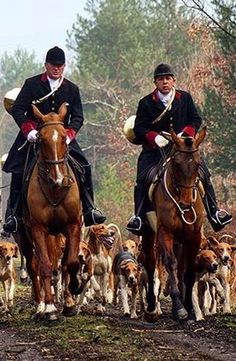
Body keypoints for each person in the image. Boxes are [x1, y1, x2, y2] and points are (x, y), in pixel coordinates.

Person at [1, 46, 106, 236]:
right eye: (53, 65)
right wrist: (29, 131)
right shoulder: (32, 84)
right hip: (35, 137)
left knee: (85, 166)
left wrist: (69, 135)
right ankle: (14, 216)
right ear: (46, 65)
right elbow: (18, 109)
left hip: (61, 137)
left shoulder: (71, 89)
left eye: (60, 65)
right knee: (18, 169)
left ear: (64, 66)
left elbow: (78, 117)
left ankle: (90, 209)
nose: (56, 69)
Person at [126, 63, 232, 235]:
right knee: (142, 179)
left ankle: (214, 212)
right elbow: (139, 127)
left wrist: (186, 134)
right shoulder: (145, 102)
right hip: (155, 150)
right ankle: (138, 217)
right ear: (155, 83)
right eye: (161, 79)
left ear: (174, 80)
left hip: (183, 148)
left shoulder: (185, 98)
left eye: (168, 78)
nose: (165, 82)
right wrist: (154, 137)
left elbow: (196, 120)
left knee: (204, 173)